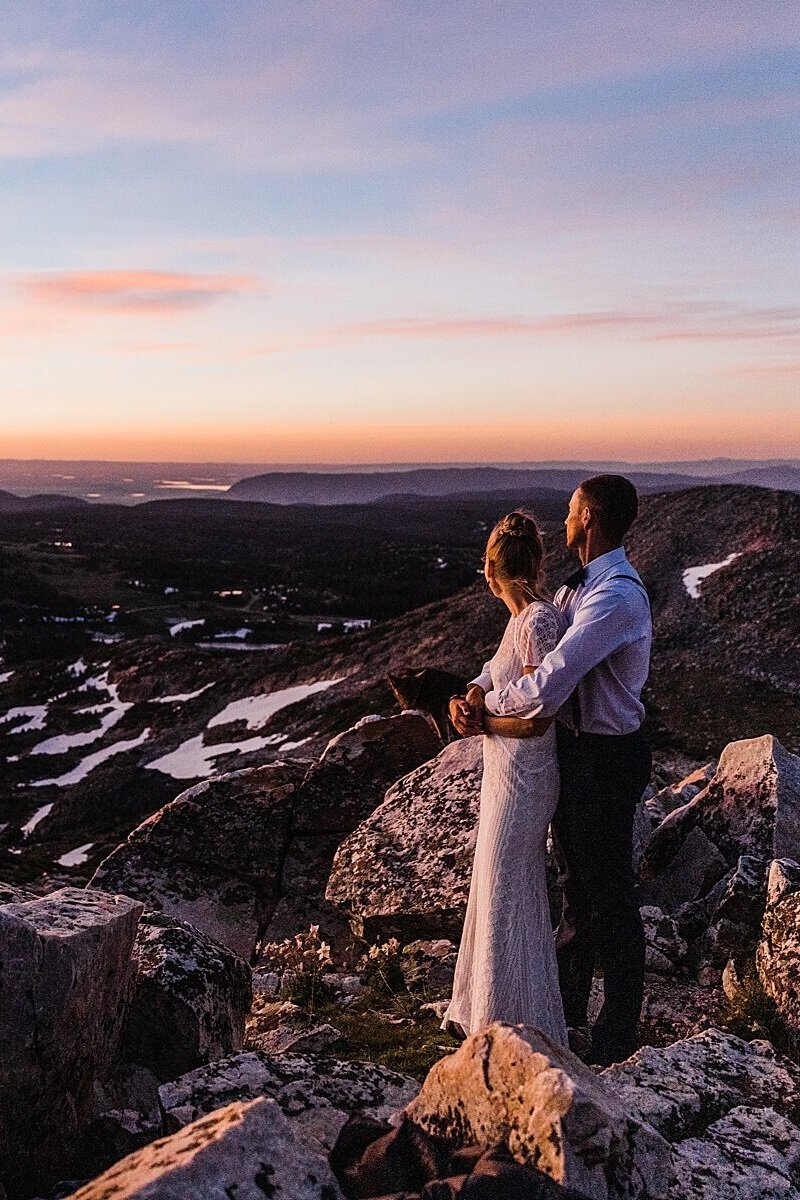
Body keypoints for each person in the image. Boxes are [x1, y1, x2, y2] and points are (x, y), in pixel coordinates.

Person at [466, 475, 652, 1066]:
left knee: (610, 892)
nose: (563, 521)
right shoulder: (578, 592)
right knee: (576, 889)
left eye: (571, 512)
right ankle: (562, 1020)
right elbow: (510, 655)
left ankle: (617, 1031)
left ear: (590, 518)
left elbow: (548, 684)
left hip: (607, 757)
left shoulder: (616, 597)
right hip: (576, 753)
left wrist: (484, 713)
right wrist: (474, 688)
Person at [441, 511, 569, 1046]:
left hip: (526, 772)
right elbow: (493, 673)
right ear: (536, 563)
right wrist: (465, 699)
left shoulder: (538, 623)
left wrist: (483, 722)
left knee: (508, 885)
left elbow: (541, 714)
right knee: (494, 885)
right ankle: (489, 1010)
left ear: (491, 571)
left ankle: (511, 1022)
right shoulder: (519, 622)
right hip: (505, 771)